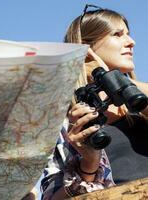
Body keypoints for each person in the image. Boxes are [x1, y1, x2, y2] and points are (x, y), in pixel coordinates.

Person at [41, 4, 148, 199]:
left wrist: (113, 79)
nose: (131, 42)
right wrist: (89, 164)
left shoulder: (140, 104)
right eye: (117, 34)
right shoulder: (64, 125)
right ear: (87, 48)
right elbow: (51, 197)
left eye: (128, 34)